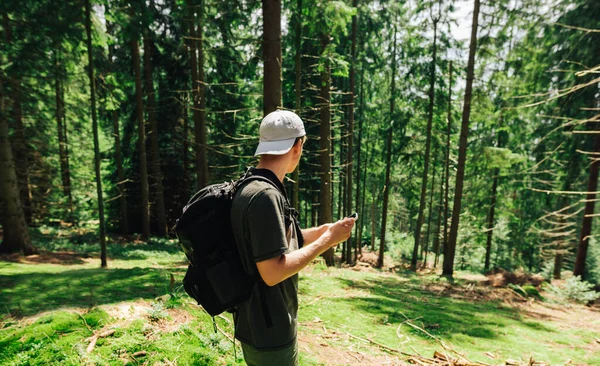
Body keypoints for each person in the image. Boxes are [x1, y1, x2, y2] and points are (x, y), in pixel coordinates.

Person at [230, 110, 356, 365]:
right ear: (298, 145)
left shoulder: (250, 185)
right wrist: (328, 241)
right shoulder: (266, 196)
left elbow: (271, 244)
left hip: (254, 322)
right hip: (271, 329)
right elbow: (272, 271)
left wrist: (319, 232)